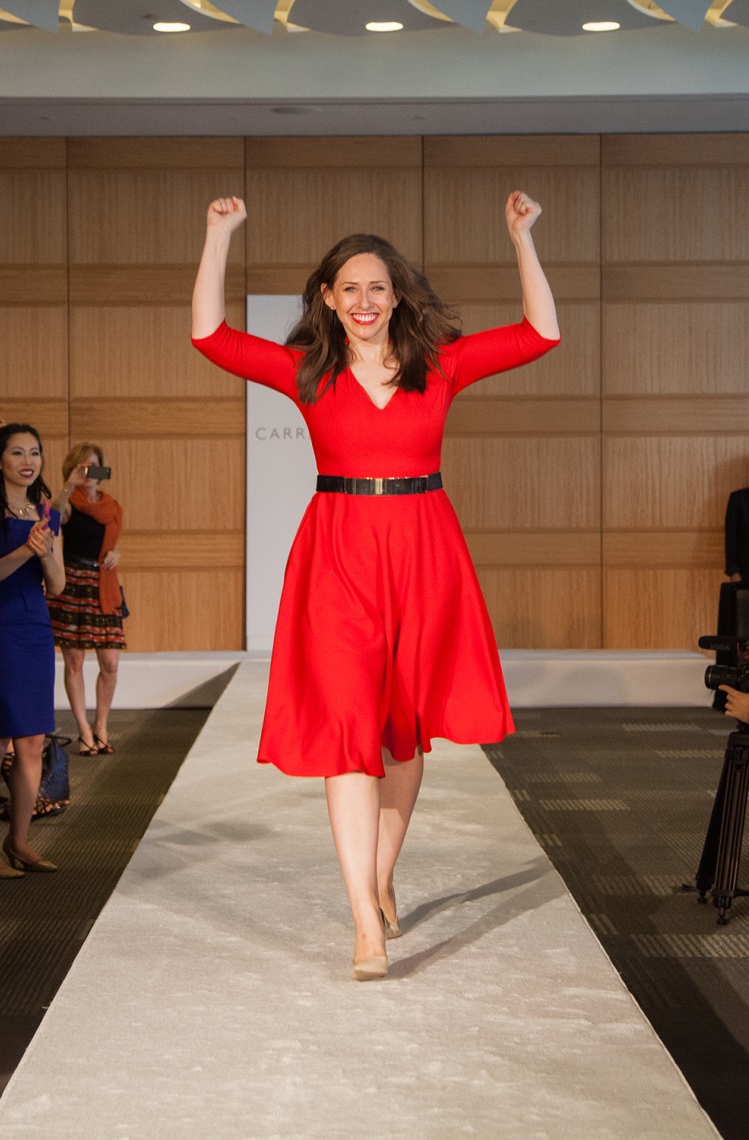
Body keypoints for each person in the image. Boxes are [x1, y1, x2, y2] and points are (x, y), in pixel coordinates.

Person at [192, 192, 560, 980]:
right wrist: (218, 235)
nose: (363, 301)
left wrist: (521, 238)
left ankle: (381, 872)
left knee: (402, 734)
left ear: (398, 297)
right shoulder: (307, 371)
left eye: (378, 287)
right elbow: (209, 337)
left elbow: (541, 334)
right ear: (327, 298)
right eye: (348, 288)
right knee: (349, 733)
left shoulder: (442, 364)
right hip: (338, 554)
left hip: (425, 551)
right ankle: (364, 918)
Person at [0, 423, 65, 878]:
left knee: (33, 740)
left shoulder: (45, 513)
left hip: (36, 627)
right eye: (16, 452)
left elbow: (55, 585)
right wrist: (25, 552)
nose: (27, 461)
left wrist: (47, 551)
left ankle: (19, 841)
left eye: (34, 452)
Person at [48, 444, 125, 756]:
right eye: (81, 467)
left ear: (102, 470)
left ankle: (102, 725)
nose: (87, 473)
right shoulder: (69, 504)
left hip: (103, 585)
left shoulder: (112, 507)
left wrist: (117, 554)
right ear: (71, 470)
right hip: (72, 585)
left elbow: (111, 545)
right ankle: (83, 729)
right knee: (75, 660)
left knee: (110, 662)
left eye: (93, 467)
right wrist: (69, 485)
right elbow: (52, 517)